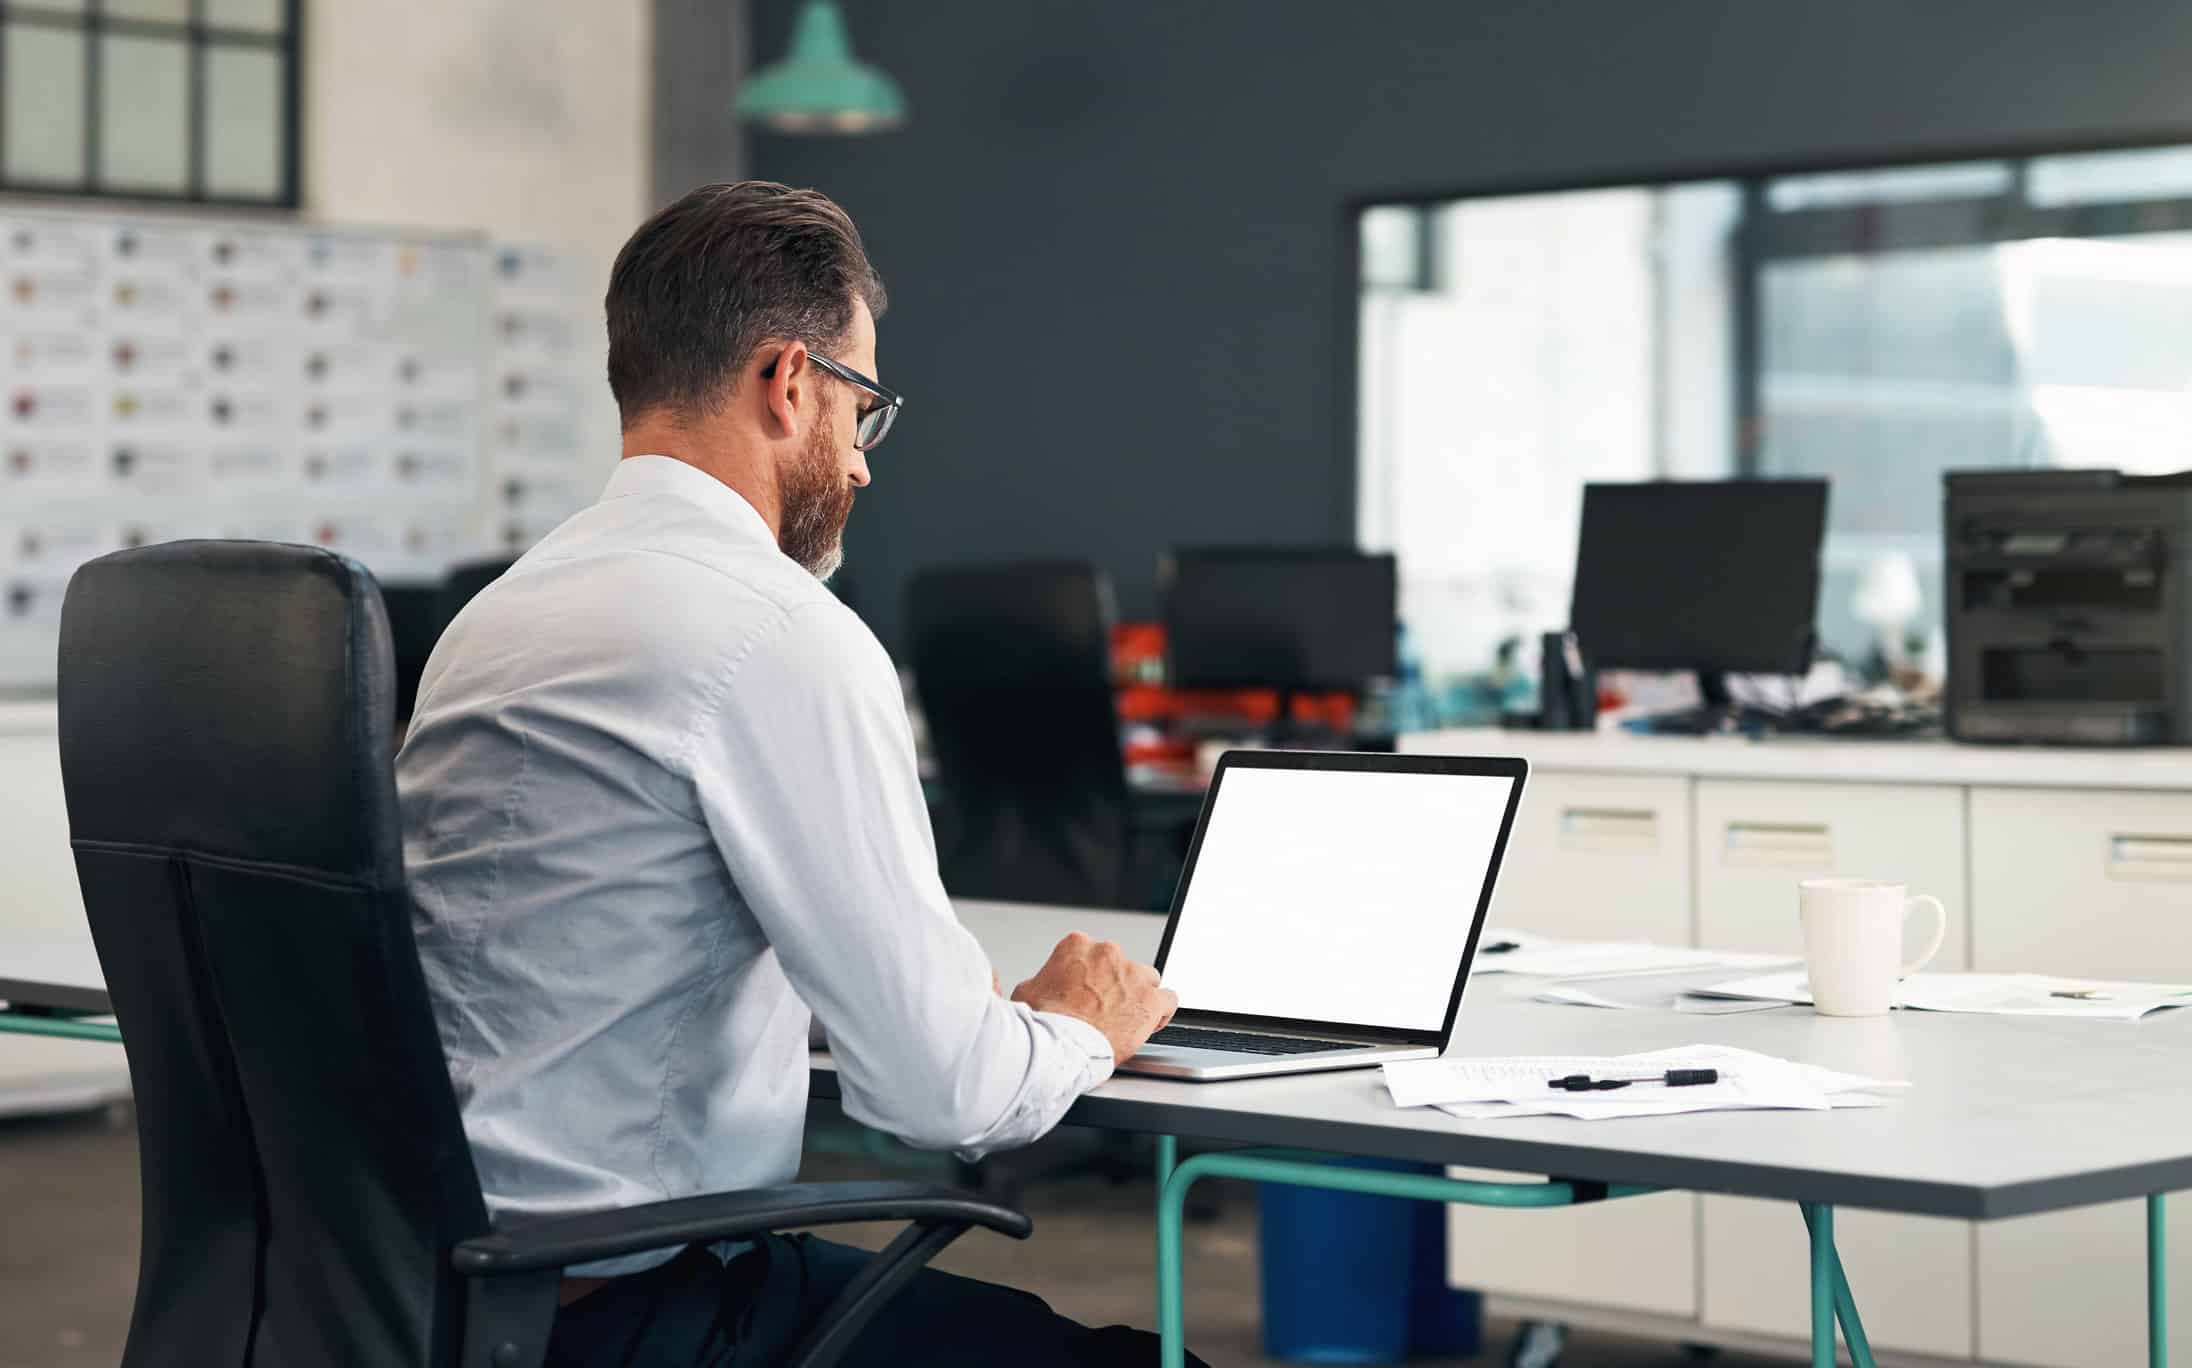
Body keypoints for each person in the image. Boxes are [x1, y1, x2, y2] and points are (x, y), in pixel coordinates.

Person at [396, 182, 1197, 1366]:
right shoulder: (775, 632)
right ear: (789, 382)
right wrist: (1082, 1025)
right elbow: (942, 1098)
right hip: (630, 1307)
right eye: (860, 408)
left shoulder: (505, 611)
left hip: (422, 1289)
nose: (863, 466)